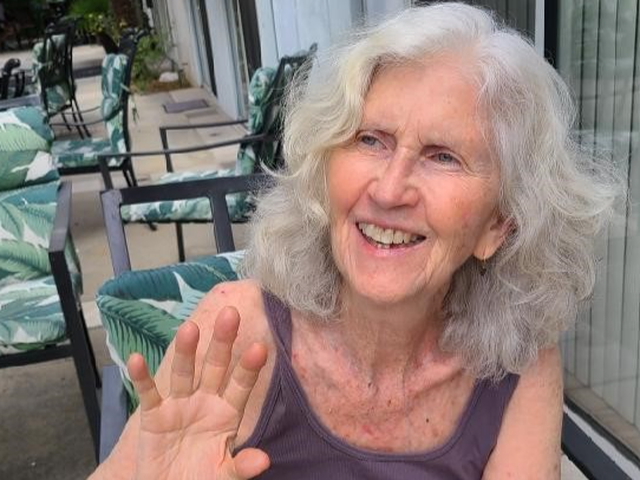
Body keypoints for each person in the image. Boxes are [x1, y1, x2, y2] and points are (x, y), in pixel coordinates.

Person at [90, 3, 623, 479]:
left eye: (443, 156)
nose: (389, 190)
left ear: (498, 225)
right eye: (370, 139)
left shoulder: (518, 361)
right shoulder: (238, 330)